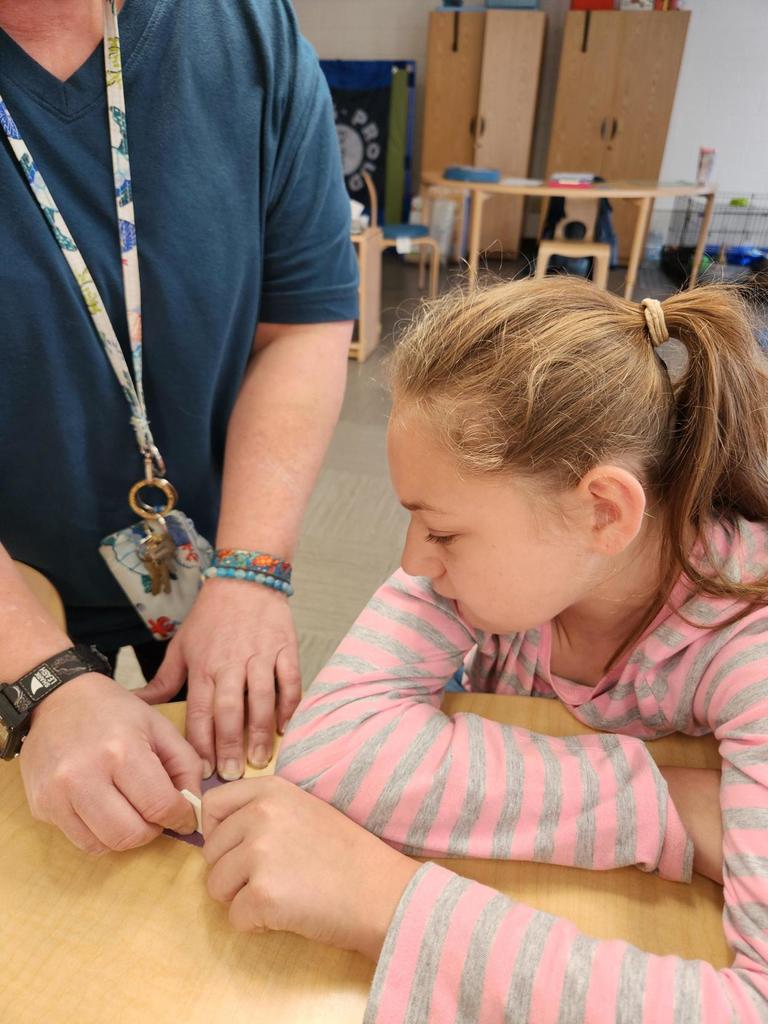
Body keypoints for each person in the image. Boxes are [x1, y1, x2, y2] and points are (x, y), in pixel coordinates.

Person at [202, 278, 768, 1021]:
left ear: (604, 511)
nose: (412, 562)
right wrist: (664, 804)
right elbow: (331, 747)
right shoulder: (510, 563)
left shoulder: (746, 642)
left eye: (439, 532)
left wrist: (386, 901)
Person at [0, 0, 357, 852]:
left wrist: (251, 568)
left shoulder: (243, 30)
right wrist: (37, 675)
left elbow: (302, 321)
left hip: (202, 551)